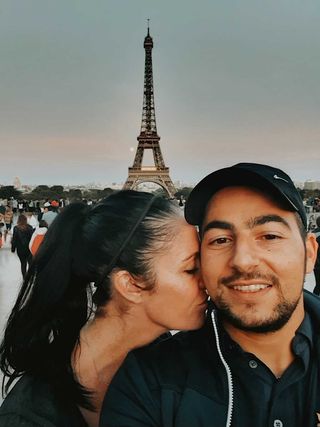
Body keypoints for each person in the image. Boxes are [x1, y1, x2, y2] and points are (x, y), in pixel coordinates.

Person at [101, 163, 319, 427]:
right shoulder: (147, 381)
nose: (243, 261)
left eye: (269, 235)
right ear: (200, 262)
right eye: (220, 240)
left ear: (309, 253)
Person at [0, 190, 206, 427]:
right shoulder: (27, 416)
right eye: (191, 269)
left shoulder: (182, 364)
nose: (208, 280)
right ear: (131, 285)